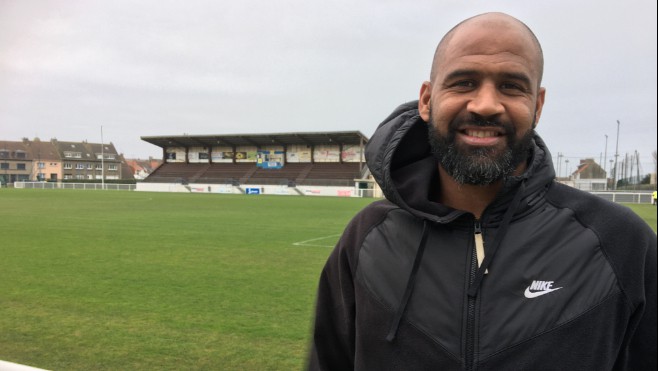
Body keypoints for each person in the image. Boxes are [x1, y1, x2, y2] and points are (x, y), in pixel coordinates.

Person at [307, 12, 657, 370]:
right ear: (427, 100)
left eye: (511, 86)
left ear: (537, 105)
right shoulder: (367, 239)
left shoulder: (621, 243)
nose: (486, 104)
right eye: (463, 83)